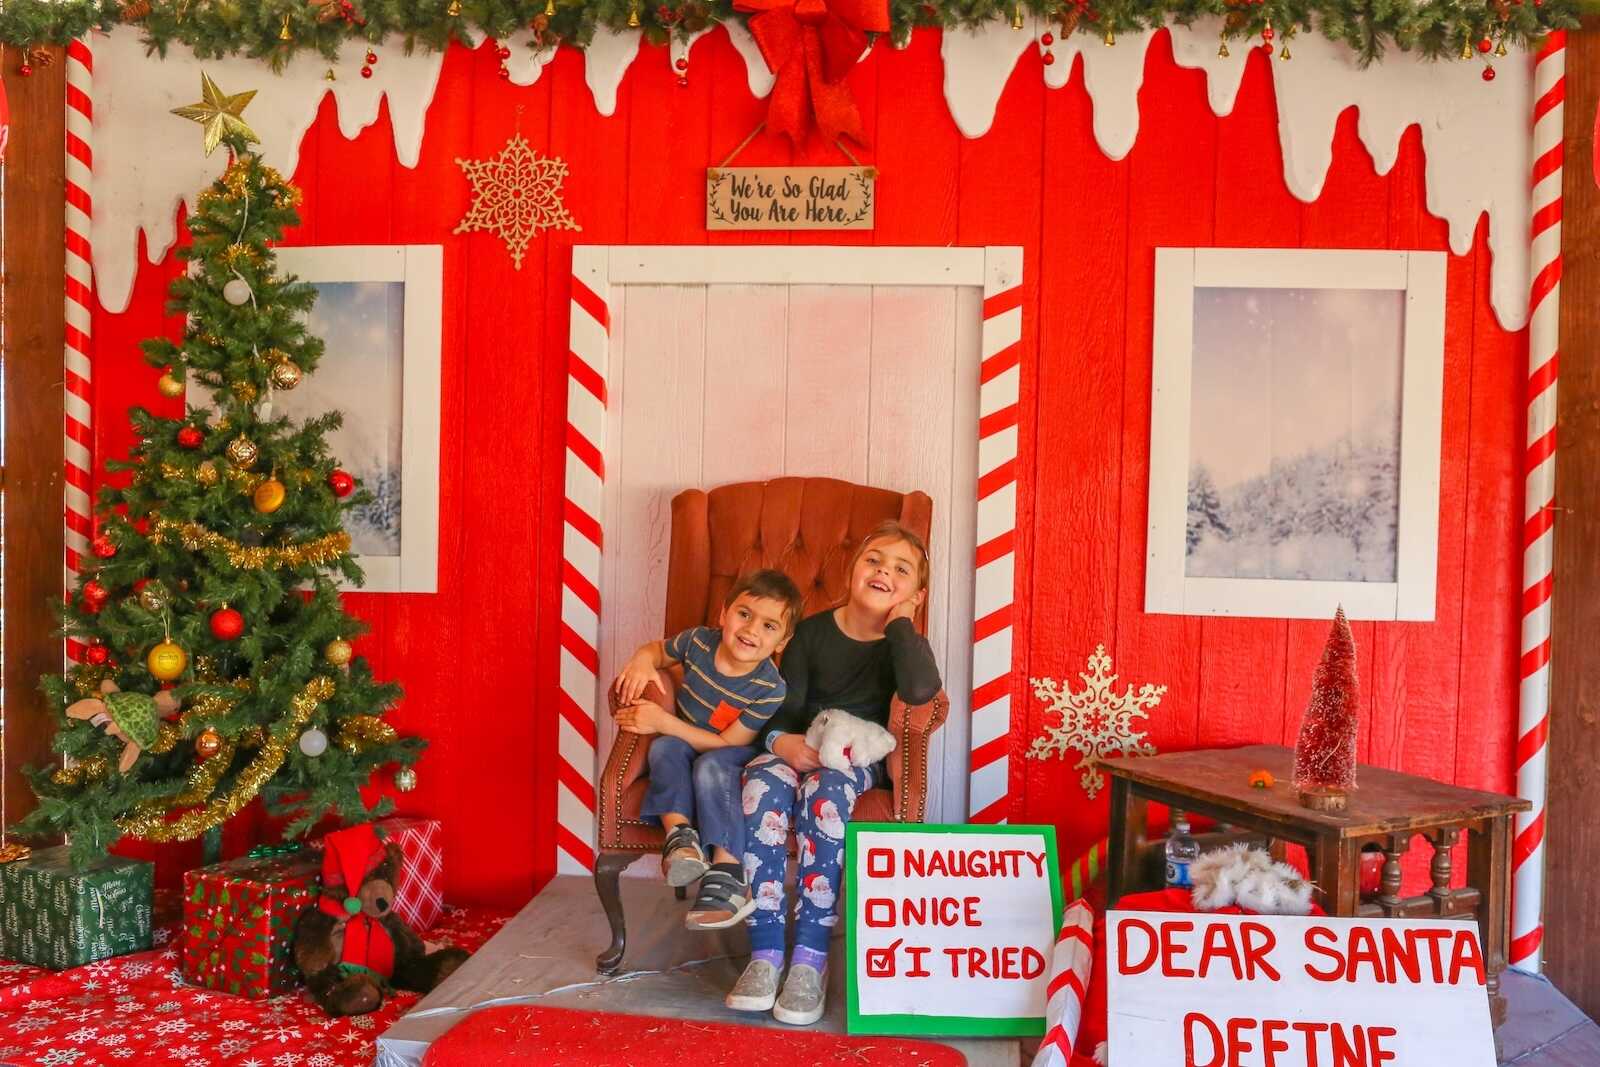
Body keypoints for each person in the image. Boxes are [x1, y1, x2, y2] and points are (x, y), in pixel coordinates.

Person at [726, 521, 942, 1025]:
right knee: (762, 782)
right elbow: (781, 711)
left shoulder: (902, 643)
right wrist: (783, 743)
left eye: (901, 570)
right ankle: (765, 951)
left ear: (916, 594)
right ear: (853, 569)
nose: (884, 572)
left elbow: (920, 691)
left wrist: (902, 624)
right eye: (874, 560)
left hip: (852, 762)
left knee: (827, 791)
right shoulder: (813, 633)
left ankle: (809, 957)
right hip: (799, 747)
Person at [612, 569, 805, 929]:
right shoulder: (698, 642)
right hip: (686, 743)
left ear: (782, 641)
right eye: (744, 614)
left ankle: (728, 872)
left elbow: (728, 743)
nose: (751, 630)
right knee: (664, 748)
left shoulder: (770, 687)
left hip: (732, 755)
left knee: (709, 764)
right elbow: (658, 651)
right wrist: (641, 660)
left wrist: (664, 721)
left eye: (769, 626)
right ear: (723, 613)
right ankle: (681, 840)